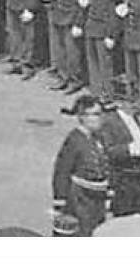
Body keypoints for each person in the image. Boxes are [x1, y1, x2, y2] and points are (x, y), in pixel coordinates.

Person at [51, 94, 110, 235]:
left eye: (100, 114)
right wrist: (61, 201)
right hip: (79, 199)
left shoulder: (98, 138)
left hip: (97, 199)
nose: (100, 118)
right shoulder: (74, 140)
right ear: (82, 117)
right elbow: (62, 171)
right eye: (95, 114)